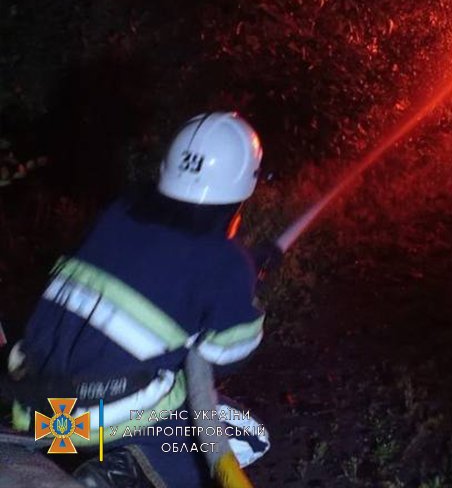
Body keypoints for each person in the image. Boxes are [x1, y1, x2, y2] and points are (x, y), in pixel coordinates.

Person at [6, 112, 272, 487]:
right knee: (247, 436)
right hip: (98, 426)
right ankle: (122, 471)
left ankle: (80, 457)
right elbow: (226, 356)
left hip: (40, 413)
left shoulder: (118, 213)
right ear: (245, 189)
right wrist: (247, 292)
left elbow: (154, 275)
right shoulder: (226, 263)